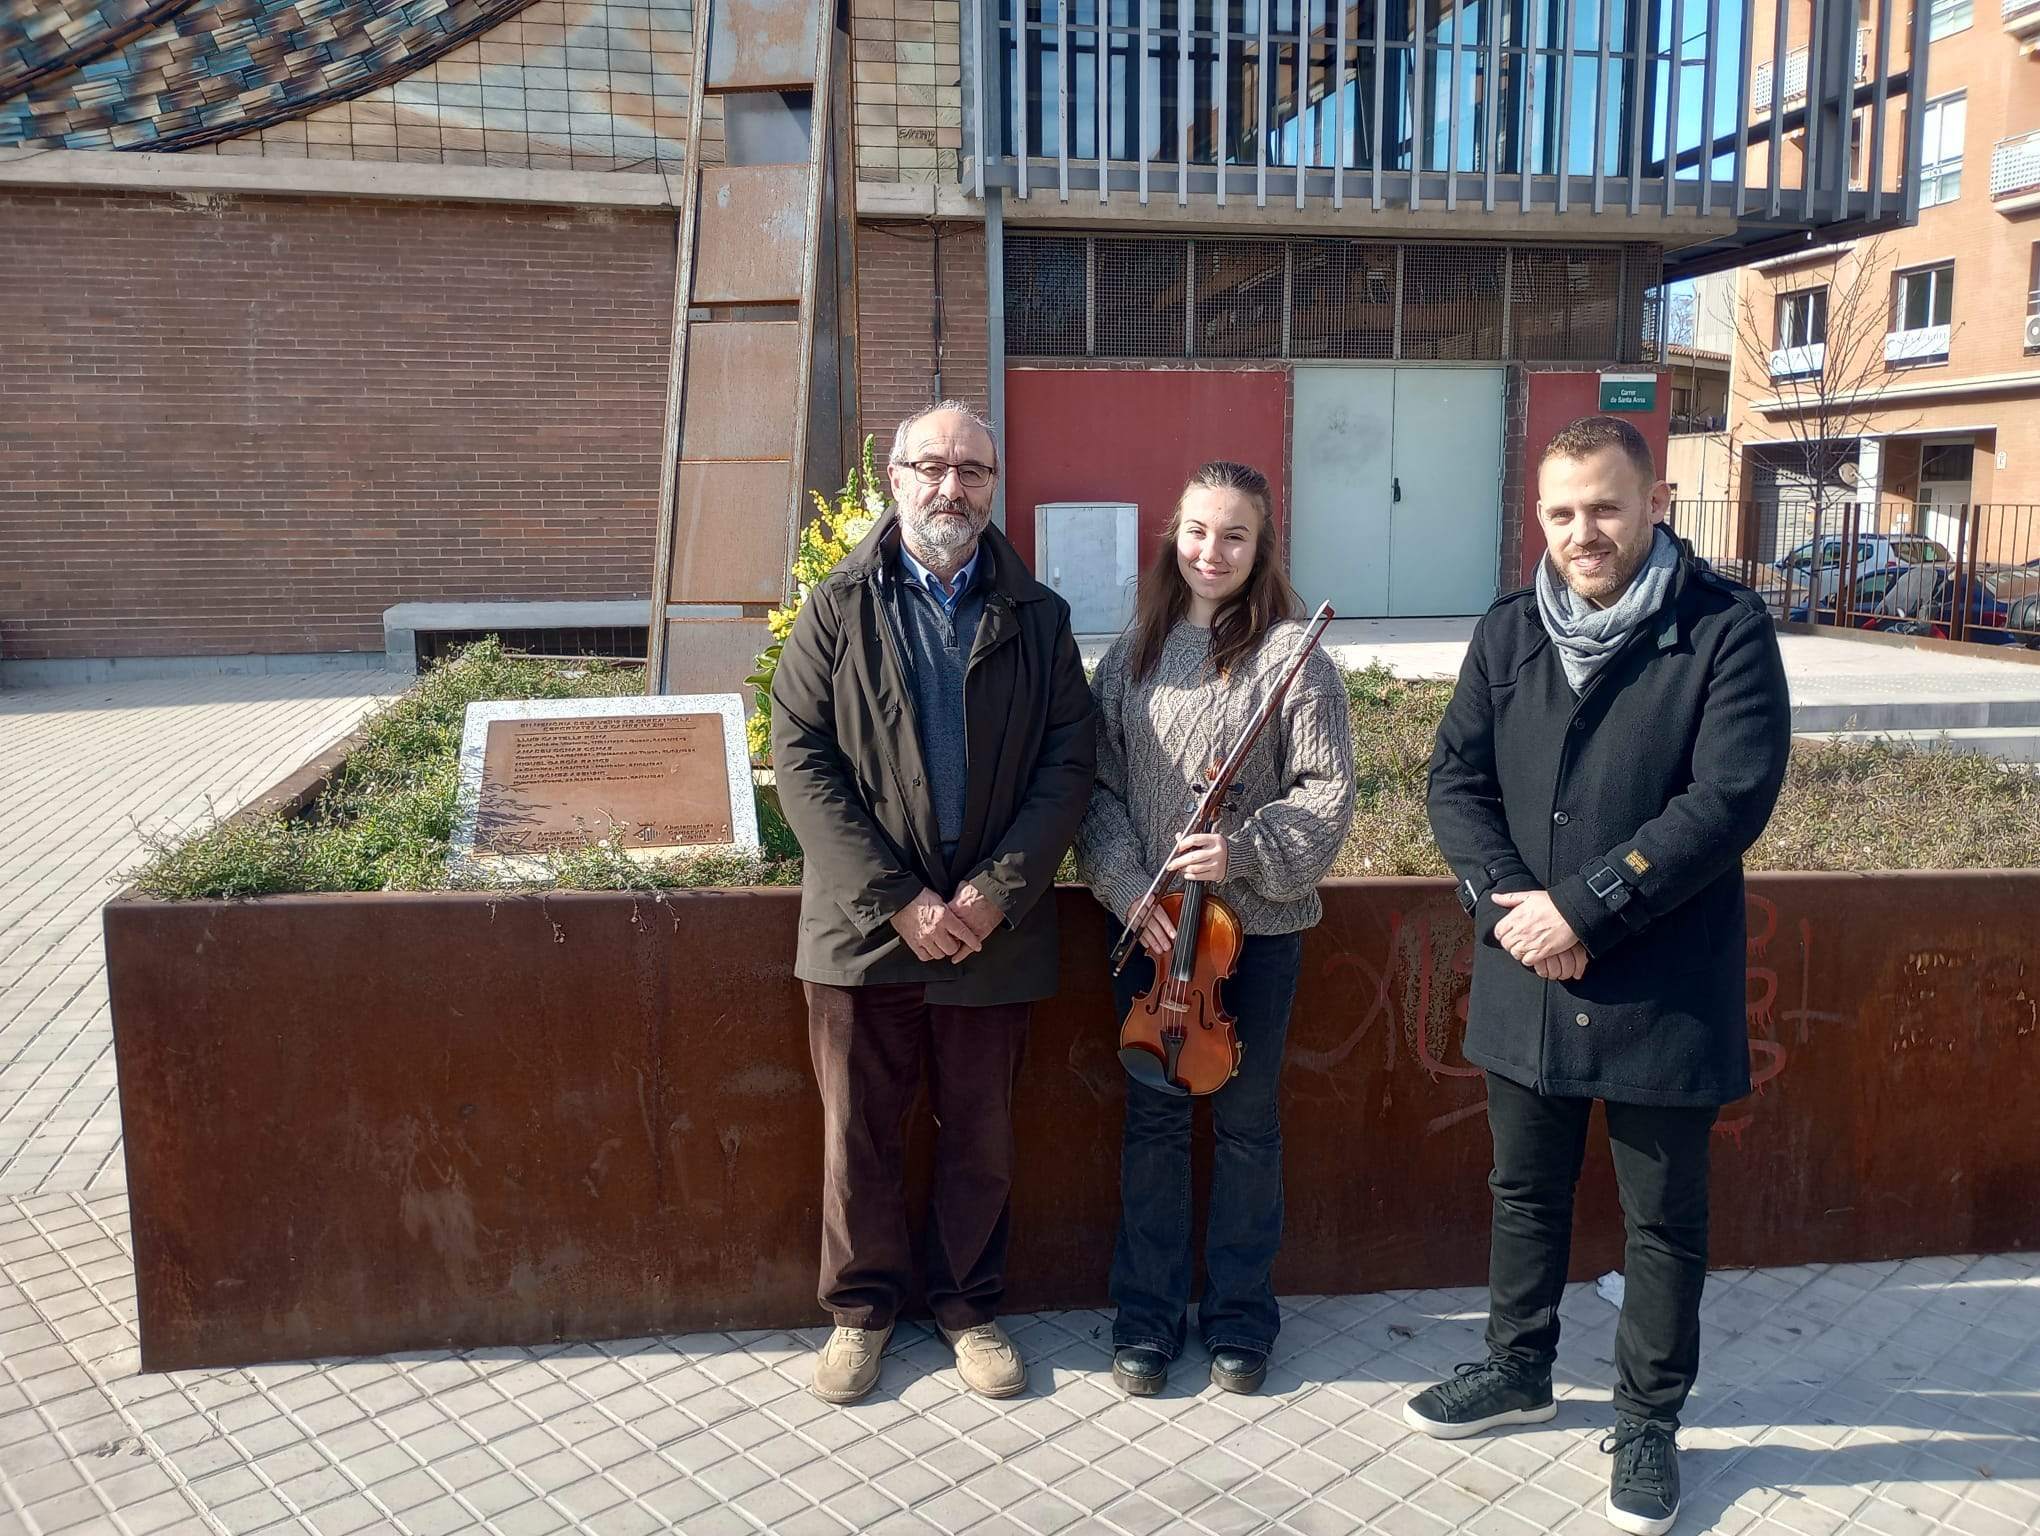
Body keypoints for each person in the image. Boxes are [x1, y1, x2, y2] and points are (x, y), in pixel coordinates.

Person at [1410, 415, 1791, 1536]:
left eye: (1606, 508)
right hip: (1526, 971)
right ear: (1539, 516)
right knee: (1523, 1191)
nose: (1584, 532)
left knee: (1662, 1220)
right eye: (1562, 512)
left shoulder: (1723, 629)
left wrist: (1583, 908)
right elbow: (1454, 783)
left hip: (1662, 984)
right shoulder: (1509, 631)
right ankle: (1516, 1368)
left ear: (1655, 502)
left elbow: (1729, 799)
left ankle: (1648, 1420)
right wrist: (1515, 910)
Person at [770, 400, 1097, 1405]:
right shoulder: (837, 606)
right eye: (931, 467)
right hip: (865, 930)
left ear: (994, 485)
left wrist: (995, 895)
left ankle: (969, 1308)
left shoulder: (1039, 617)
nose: (951, 488)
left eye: (972, 471)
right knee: (858, 1136)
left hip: (993, 932)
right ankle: (860, 1314)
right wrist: (900, 900)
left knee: (981, 1137)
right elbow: (800, 760)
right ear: (896, 478)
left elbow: (1069, 765)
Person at [1074, 460, 1356, 1399]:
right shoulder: (1133, 655)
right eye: (1198, 530)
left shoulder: (1295, 659)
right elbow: (1097, 789)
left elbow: (1326, 794)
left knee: (1246, 1127)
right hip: (1153, 936)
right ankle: (1146, 1316)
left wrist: (1242, 851)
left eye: (1235, 534)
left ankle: (1240, 1315)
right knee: (1153, 1125)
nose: (1212, 550)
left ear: (1261, 546)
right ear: (1174, 536)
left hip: (1253, 936)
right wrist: (1129, 889)